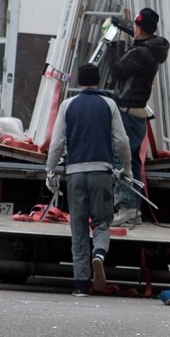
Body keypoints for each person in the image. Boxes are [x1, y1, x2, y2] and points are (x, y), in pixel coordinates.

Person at [46, 63, 132, 296]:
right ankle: (99, 255)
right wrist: (127, 169)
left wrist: (50, 170)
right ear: (98, 82)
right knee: (102, 223)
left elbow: (57, 144)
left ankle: (81, 285)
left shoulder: (68, 106)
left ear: (79, 83)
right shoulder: (109, 104)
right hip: (101, 174)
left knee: (79, 228)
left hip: (74, 175)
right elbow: (122, 142)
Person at [107, 7, 170, 227]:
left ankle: (126, 207)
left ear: (141, 29)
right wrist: (116, 22)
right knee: (131, 160)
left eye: (135, 25)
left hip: (126, 114)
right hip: (136, 115)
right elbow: (133, 29)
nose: (132, 28)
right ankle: (133, 210)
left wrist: (111, 45)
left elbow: (116, 72)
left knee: (119, 159)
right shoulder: (152, 46)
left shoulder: (141, 54)